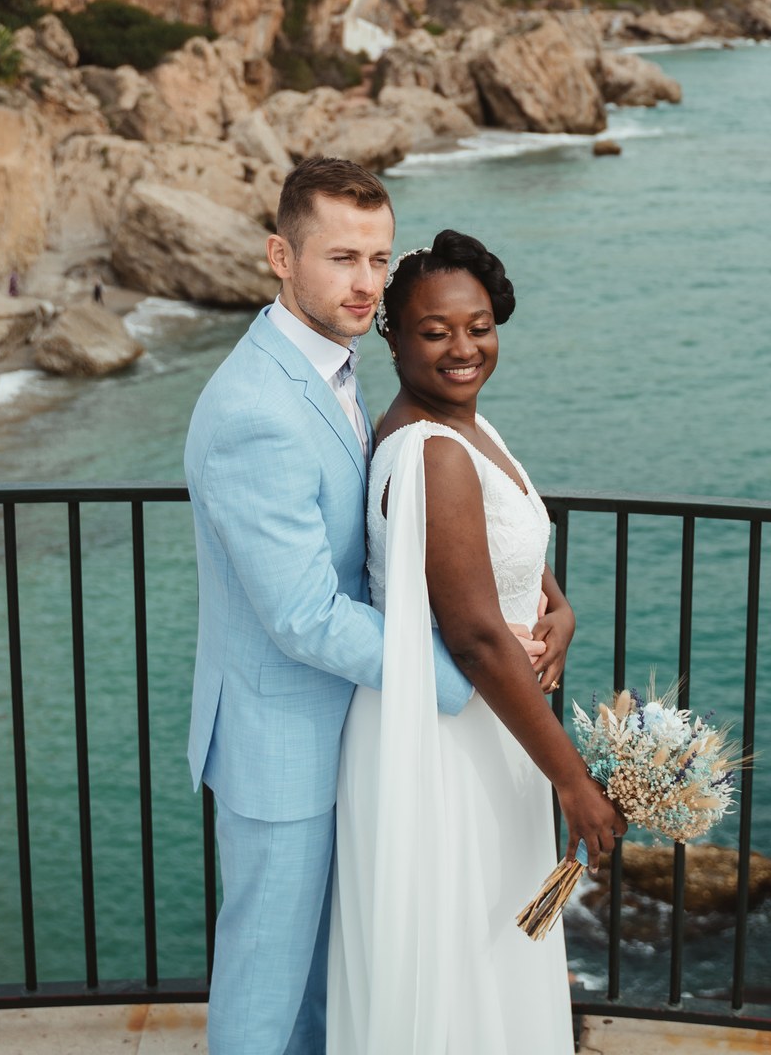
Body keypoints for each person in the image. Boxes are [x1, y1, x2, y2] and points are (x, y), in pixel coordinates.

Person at [184, 158, 556, 1055]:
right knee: (269, 989)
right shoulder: (254, 407)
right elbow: (306, 613)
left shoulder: (342, 375)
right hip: (286, 743)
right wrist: (466, 672)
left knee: (335, 983)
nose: (365, 283)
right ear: (282, 255)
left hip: (361, 729)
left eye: (378, 260)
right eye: (342, 257)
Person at [326, 232, 618, 1053]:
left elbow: (513, 558)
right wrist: (573, 780)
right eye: (435, 331)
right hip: (449, 745)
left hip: (490, 732)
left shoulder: (466, 427)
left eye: (480, 325)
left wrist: (562, 615)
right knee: (459, 954)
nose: (464, 348)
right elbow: (478, 634)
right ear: (392, 335)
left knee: (487, 944)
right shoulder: (433, 451)